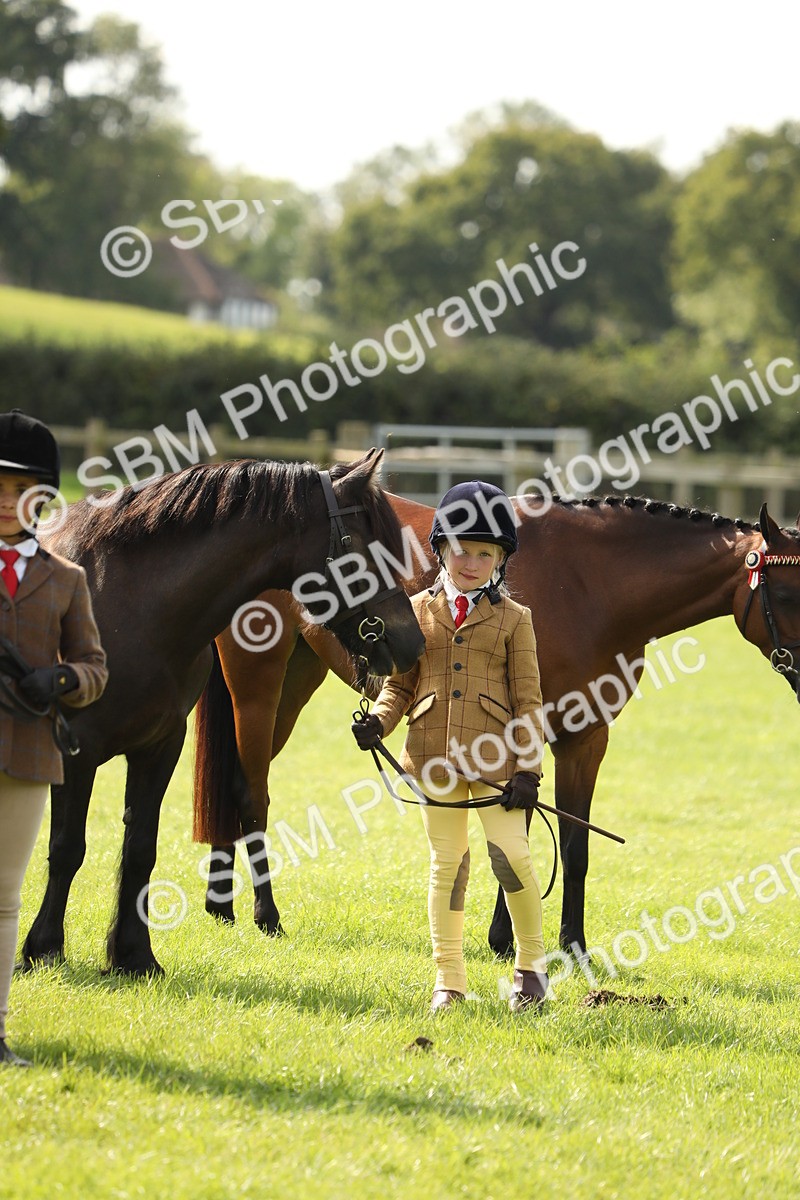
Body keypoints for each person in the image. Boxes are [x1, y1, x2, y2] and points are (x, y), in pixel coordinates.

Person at [352, 480, 548, 1014]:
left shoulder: (516, 620)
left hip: (498, 762)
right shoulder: (415, 611)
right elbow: (401, 686)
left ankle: (530, 970)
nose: (472, 562)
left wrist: (529, 769)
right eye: (462, 549)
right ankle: (450, 980)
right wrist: (380, 724)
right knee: (448, 864)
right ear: (440, 548)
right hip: (434, 755)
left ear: (500, 560)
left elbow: (529, 700)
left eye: (486, 553)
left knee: (513, 857)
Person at [0, 410, 108, 1067]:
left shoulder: (66, 580)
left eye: (21, 490)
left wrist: (60, 678)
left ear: (44, 498)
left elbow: (96, 670)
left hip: (27, 751)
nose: (6, 502)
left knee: (5, 896)